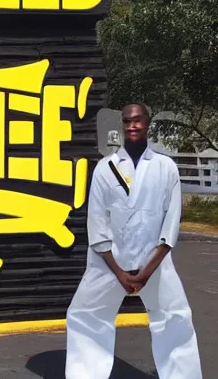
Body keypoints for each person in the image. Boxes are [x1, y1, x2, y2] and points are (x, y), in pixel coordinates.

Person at [65, 103, 202, 379]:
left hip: (155, 261)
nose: (132, 125)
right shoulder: (106, 168)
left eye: (137, 120)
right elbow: (97, 223)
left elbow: (171, 222)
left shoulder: (165, 167)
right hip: (109, 262)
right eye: (127, 121)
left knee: (175, 318)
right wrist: (118, 272)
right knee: (84, 315)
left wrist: (147, 272)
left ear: (148, 123)